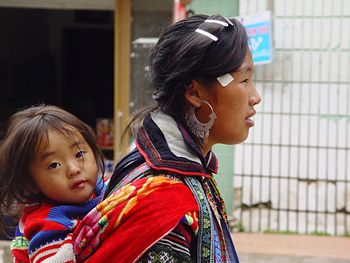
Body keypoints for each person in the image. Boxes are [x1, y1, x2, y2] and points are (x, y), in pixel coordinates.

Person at [85, 14, 261, 262]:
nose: (255, 97)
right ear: (195, 92)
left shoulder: (188, 169)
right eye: (244, 80)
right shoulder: (162, 196)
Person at [0, 105, 106, 262]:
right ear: (30, 183)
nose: (74, 169)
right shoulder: (47, 226)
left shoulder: (107, 187)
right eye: (54, 165)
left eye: (79, 154)